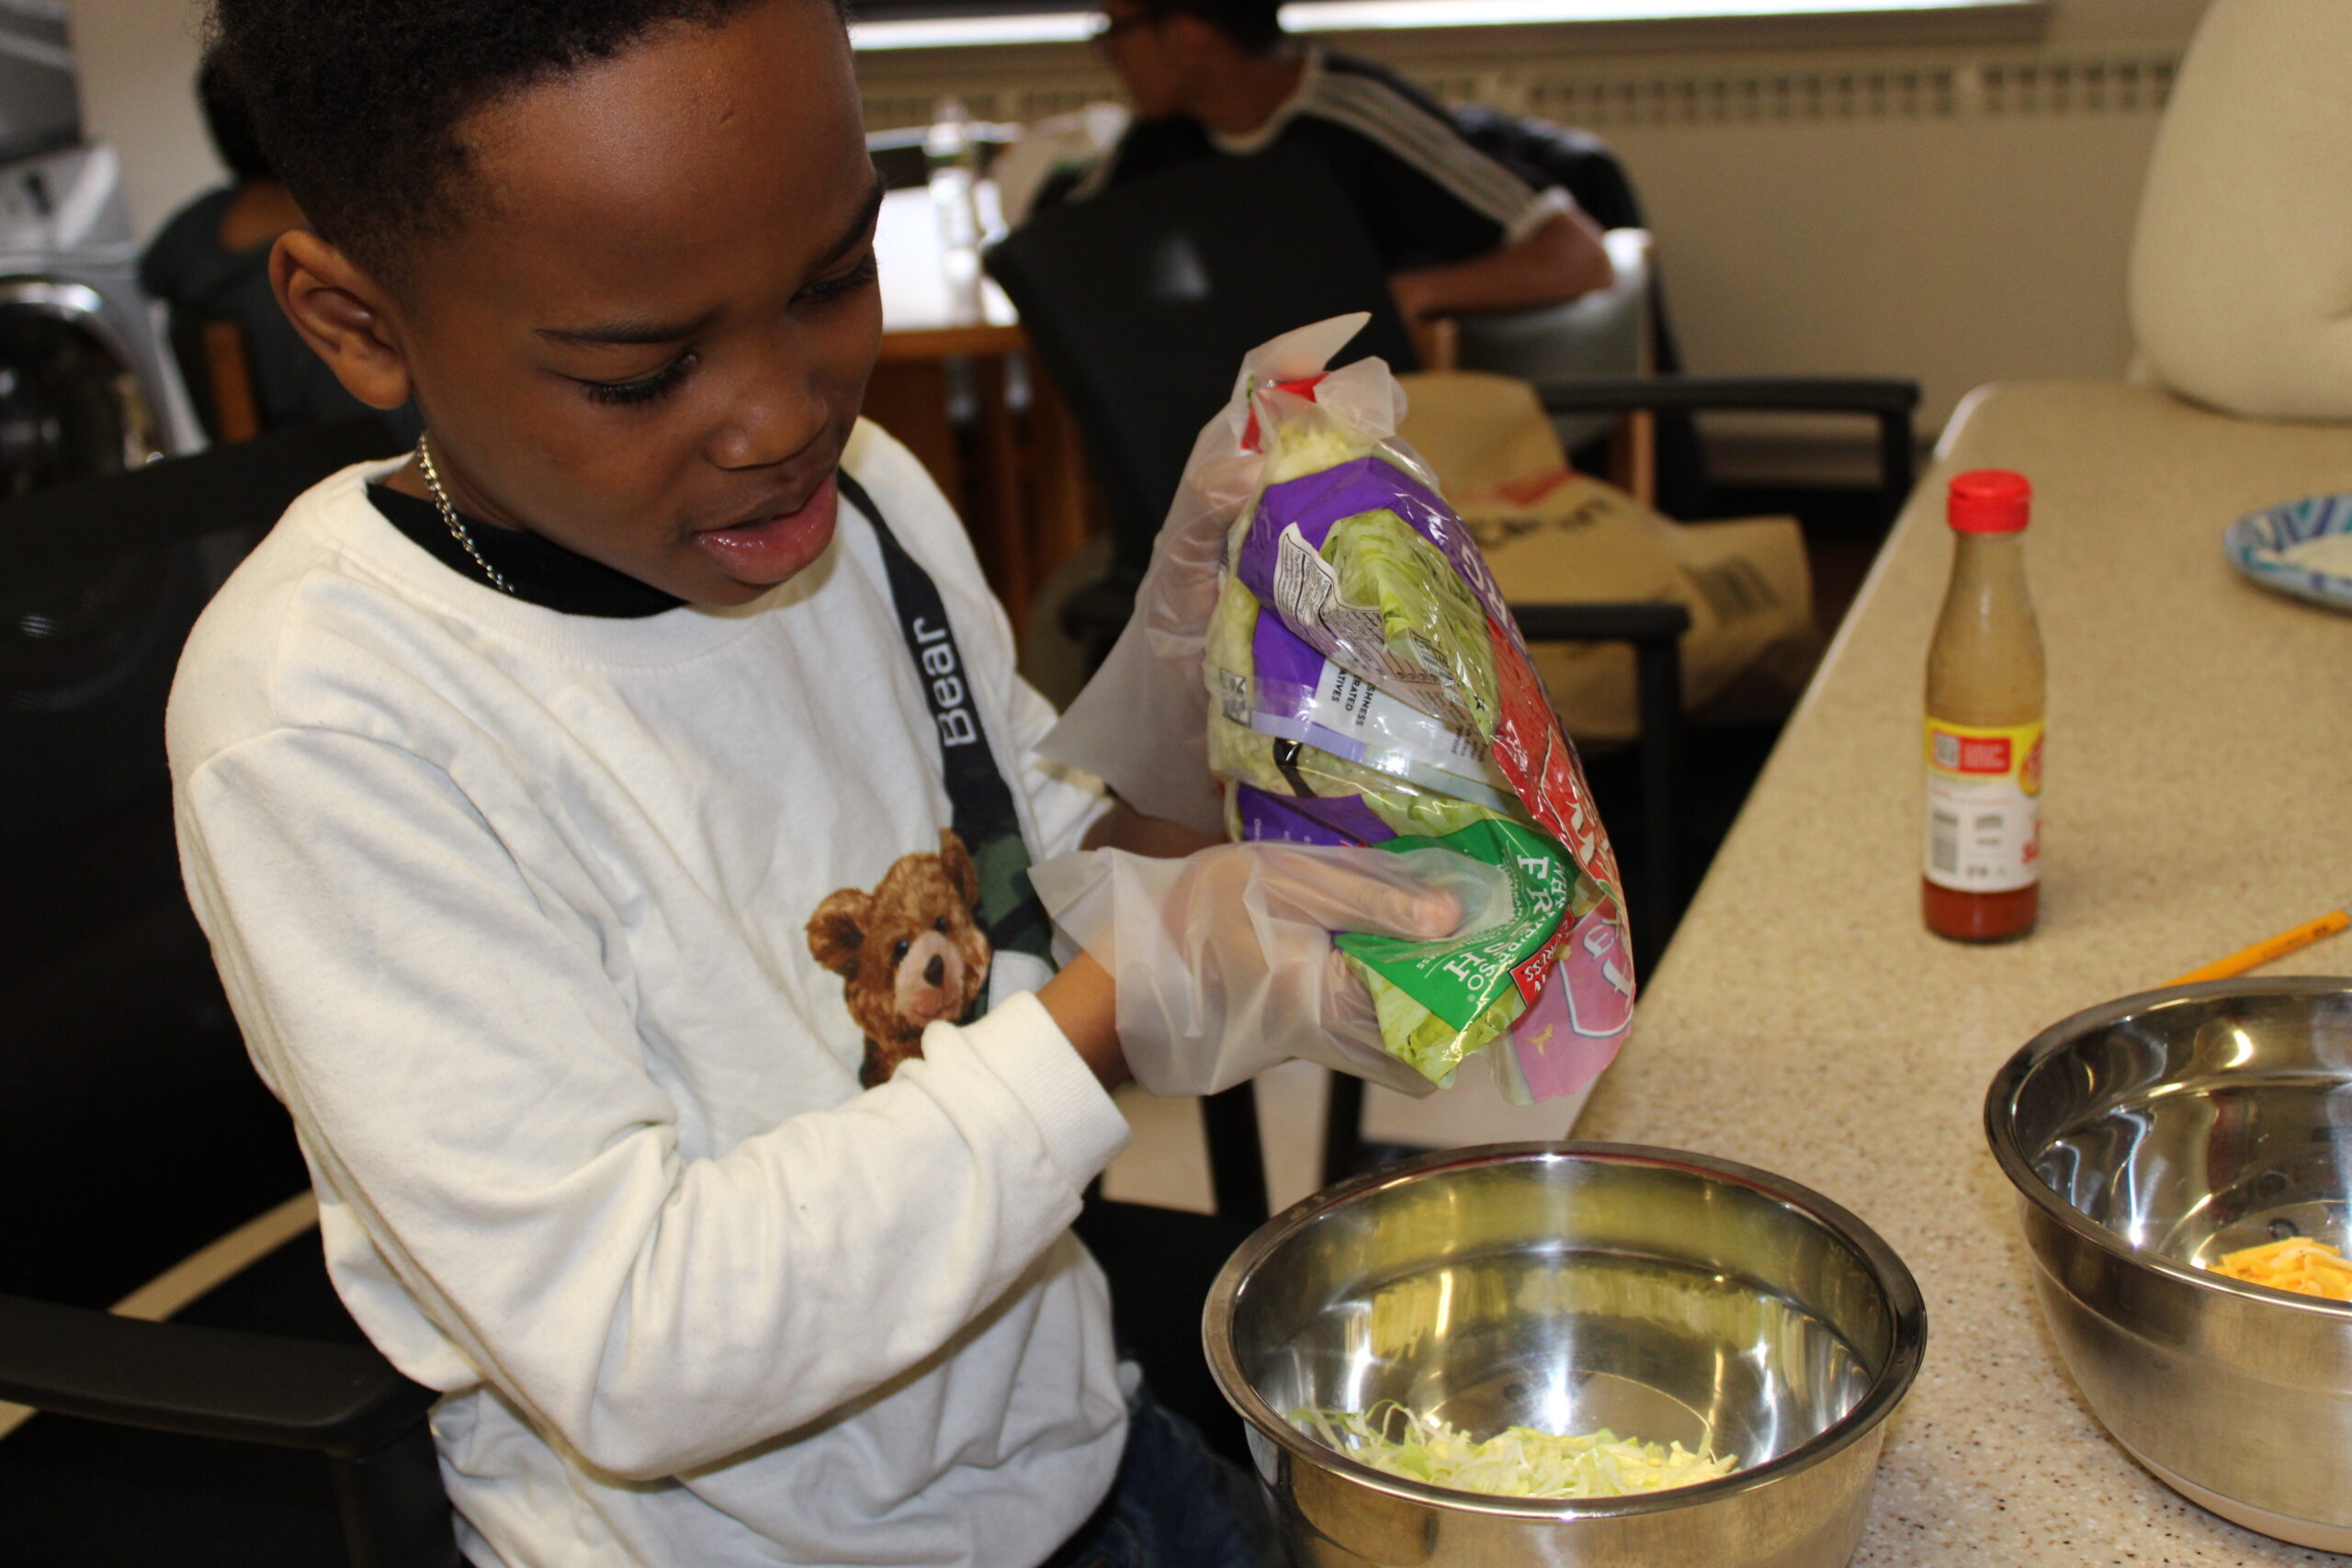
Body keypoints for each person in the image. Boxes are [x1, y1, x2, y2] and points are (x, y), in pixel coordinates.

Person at [170, 2, 1473, 1565]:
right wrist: (1120, 1001)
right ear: (359, 323)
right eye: (645, 370)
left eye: (829, 280)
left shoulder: (868, 509)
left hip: (1075, 1449)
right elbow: (635, 1348)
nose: (786, 416)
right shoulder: (331, 717)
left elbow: (1043, 908)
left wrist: (1204, 701)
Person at [1069, 0, 1612, 321]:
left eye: (1117, 30)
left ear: (1187, 36)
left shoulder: (1358, 114)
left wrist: (1408, 293)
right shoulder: (1159, 138)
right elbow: (1053, 257)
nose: (1111, 54)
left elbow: (1581, 255)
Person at [137, 53, 384, 434]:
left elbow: (148, 274)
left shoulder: (195, 232)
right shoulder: (334, 242)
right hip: (354, 450)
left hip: (262, 462)